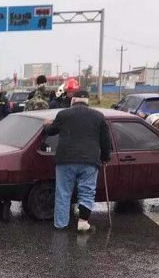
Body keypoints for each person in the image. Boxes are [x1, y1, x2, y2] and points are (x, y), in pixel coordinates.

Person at [44, 91, 112, 231]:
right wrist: (105, 158)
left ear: (73, 101)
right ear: (87, 101)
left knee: (63, 193)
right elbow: (106, 141)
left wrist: (46, 124)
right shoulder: (98, 116)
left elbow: (51, 131)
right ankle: (83, 222)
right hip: (89, 161)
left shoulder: (63, 114)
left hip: (65, 160)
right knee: (87, 191)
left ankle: (60, 224)